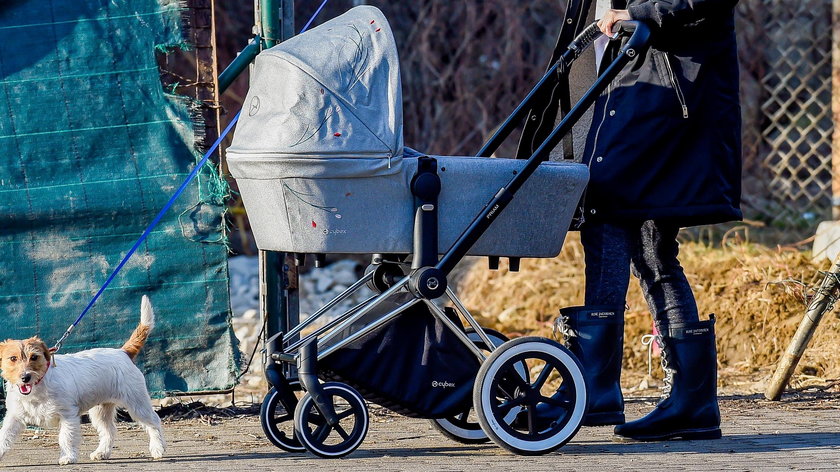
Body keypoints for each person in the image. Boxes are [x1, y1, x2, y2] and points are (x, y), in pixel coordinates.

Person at [555, 0, 741, 441]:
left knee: (608, 206)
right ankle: (692, 402)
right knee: (650, 244)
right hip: (641, 80)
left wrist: (640, 13)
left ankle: (597, 385)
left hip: (674, 90)